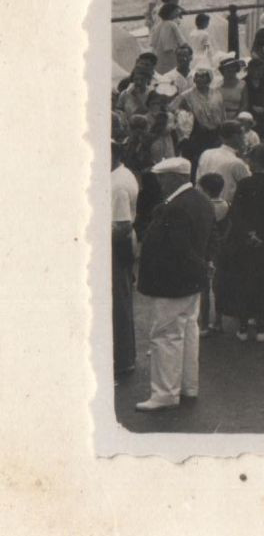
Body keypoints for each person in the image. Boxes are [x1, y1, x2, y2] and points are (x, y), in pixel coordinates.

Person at [132, 156, 215, 412]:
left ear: (172, 178)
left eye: (161, 178)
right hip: (191, 281)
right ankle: (188, 385)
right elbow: (209, 239)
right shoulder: (201, 201)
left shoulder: (175, 207)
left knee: (165, 335)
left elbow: (177, 248)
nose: (159, 183)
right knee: (187, 332)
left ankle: (165, 392)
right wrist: (205, 268)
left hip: (171, 281)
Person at [216, 144, 264, 342]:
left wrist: (249, 233)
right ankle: (262, 322)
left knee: (244, 280)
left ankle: (244, 324)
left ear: (254, 163)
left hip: (245, 241)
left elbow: (236, 212)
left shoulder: (245, 184)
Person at [111, 145, 140, 379]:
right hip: (117, 245)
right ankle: (122, 357)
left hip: (115, 247)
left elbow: (122, 226)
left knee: (118, 304)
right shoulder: (119, 175)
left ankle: (122, 360)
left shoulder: (118, 185)